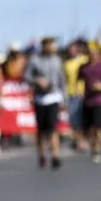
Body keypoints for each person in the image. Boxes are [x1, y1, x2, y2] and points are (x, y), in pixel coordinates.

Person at [24, 37, 66, 169]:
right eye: (50, 45)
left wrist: (64, 98)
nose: (53, 47)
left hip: (54, 97)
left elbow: (62, 80)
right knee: (41, 130)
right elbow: (26, 76)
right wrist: (38, 80)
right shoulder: (34, 60)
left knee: (53, 128)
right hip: (40, 99)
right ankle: (41, 154)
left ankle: (55, 155)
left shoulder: (57, 60)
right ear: (44, 46)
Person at [77, 43, 101, 163]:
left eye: (94, 52)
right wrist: (79, 90)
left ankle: (97, 149)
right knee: (87, 128)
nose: (92, 55)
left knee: (98, 127)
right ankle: (92, 144)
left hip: (98, 100)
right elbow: (78, 80)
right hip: (87, 101)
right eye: (90, 52)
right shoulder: (84, 67)